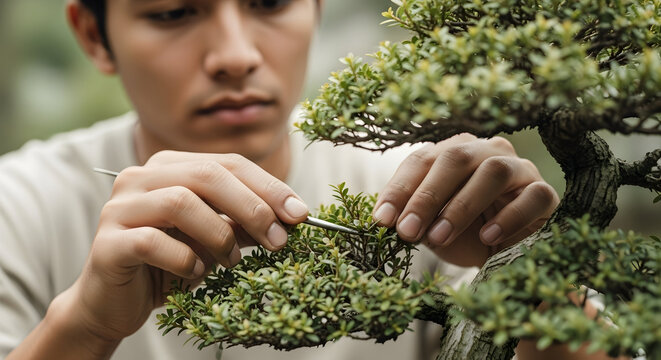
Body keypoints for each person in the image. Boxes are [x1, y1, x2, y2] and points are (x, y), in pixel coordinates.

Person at [0, 0, 610, 359]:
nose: (235, 54)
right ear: (92, 35)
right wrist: (84, 326)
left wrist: (532, 273)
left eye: (268, 2)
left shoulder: (427, 196)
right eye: (173, 12)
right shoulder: (18, 207)